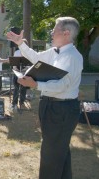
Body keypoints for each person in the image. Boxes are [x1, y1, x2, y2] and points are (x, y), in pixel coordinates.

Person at [6, 16, 82, 179]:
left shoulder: (71, 56)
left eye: (54, 30)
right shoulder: (56, 52)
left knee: (51, 155)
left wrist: (35, 85)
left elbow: (62, 86)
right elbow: (36, 57)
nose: (51, 34)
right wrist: (20, 44)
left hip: (61, 109)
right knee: (59, 150)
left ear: (66, 33)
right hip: (51, 106)